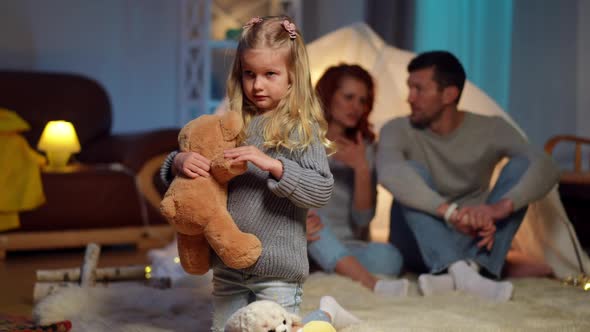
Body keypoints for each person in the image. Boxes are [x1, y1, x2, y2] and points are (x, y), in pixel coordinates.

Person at [160, 16, 359, 331]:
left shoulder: (301, 131)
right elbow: (195, 178)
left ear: (293, 77)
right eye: (249, 73)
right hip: (228, 263)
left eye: (270, 74)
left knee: (281, 328)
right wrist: (178, 162)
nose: (257, 85)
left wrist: (275, 166)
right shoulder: (229, 124)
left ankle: (326, 315)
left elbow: (321, 189)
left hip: (277, 269)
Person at [377, 50, 560, 302]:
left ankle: (464, 272)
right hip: (417, 244)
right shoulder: (396, 129)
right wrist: (450, 212)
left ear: (449, 94)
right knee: (410, 173)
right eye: (410, 88)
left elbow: (545, 165)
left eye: (419, 89)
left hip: (473, 240)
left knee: (520, 166)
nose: (410, 97)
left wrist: (498, 209)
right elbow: (389, 172)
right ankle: (467, 272)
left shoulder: (491, 128)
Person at [306, 64, 408, 296]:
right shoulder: (303, 139)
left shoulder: (367, 147)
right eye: (349, 97)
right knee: (312, 216)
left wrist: (361, 167)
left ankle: (334, 265)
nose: (356, 107)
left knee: (391, 258)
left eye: (362, 101)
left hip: (348, 245)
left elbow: (362, 220)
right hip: (305, 236)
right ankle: (372, 285)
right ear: (328, 95)